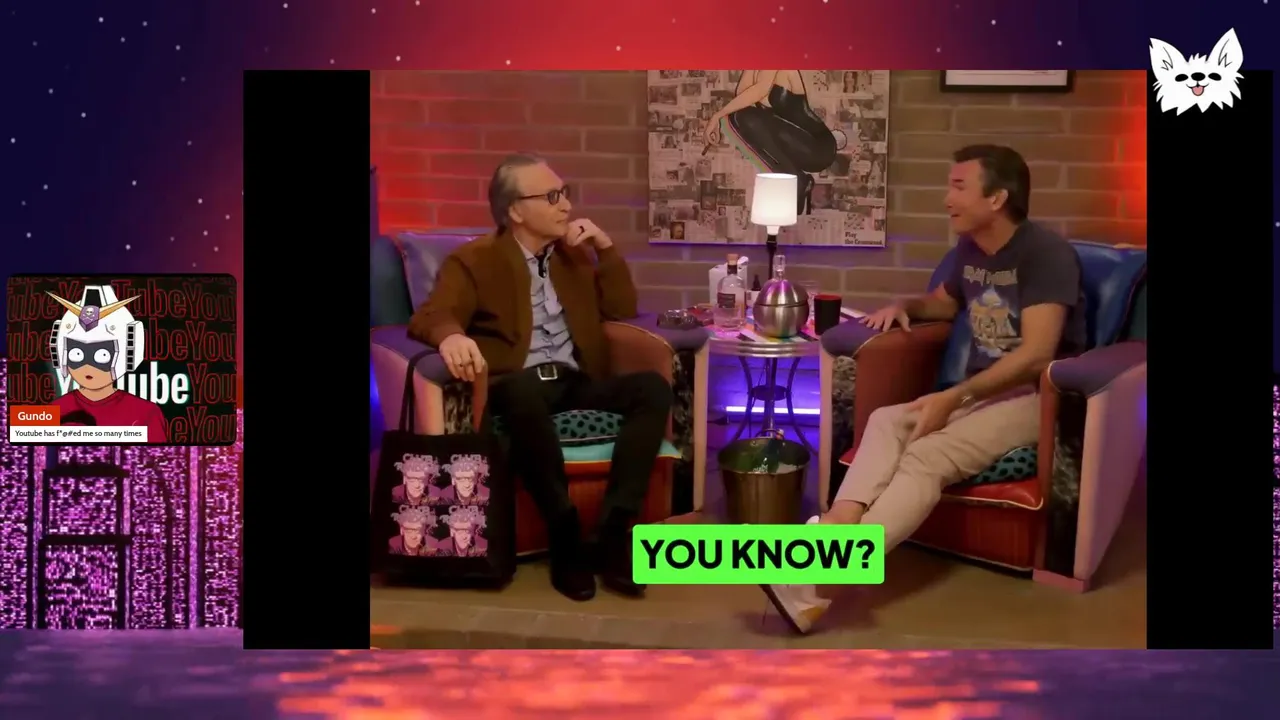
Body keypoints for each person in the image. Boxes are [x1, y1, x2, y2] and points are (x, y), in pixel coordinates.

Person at [759, 145, 1087, 634]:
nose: (946, 198)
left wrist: (954, 397)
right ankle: (833, 533)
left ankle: (821, 580)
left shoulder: (1045, 254)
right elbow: (944, 303)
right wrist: (904, 306)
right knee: (887, 420)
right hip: (981, 392)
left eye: (959, 187)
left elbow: (1038, 354)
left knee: (926, 456)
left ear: (997, 198)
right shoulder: (970, 249)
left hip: (1039, 398)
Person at [408, 153, 672, 602]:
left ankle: (614, 530)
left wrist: (605, 247)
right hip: (518, 385)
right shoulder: (475, 260)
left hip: (574, 380)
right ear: (515, 210)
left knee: (651, 387)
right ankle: (564, 533)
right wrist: (451, 336)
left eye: (564, 193)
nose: (565, 204)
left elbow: (621, 308)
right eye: (551, 196)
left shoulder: (572, 256)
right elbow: (433, 314)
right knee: (522, 392)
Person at [705, 70, 844, 215]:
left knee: (743, 117)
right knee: (743, 118)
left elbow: (759, 90)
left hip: (818, 146)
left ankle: (796, 179)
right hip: (795, 146)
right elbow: (742, 102)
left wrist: (716, 117)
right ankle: (795, 178)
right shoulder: (753, 68)